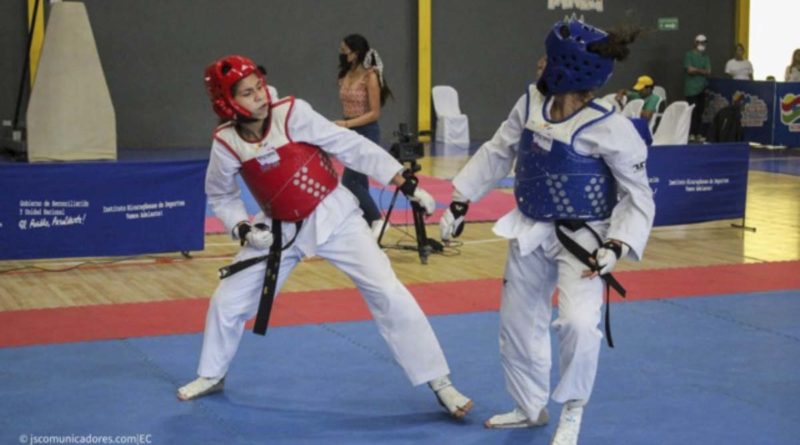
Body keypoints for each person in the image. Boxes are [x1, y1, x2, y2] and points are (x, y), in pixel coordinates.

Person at [177, 55, 473, 420]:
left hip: (334, 216)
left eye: (258, 87)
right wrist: (241, 227)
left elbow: (350, 145)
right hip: (277, 229)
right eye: (247, 93)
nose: (258, 97)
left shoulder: (291, 113)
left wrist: (404, 181)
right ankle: (211, 374)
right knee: (227, 300)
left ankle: (440, 382)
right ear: (227, 103)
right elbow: (221, 195)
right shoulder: (226, 142)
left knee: (387, 291)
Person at [439, 19, 655, 445]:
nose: (539, 64)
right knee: (518, 323)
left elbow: (639, 196)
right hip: (530, 226)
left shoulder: (610, 127)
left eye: (547, 59)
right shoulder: (531, 104)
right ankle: (528, 406)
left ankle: (572, 410)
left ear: (567, 70)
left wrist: (618, 244)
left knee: (576, 323)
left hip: (586, 240)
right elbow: (498, 150)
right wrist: (462, 199)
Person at [334, 34, 393, 239]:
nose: (342, 55)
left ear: (356, 53)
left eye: (345, 52)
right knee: (360, 180)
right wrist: (344, 126)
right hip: (348, 131)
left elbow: (374, 112)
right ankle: (368, 225)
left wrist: (348, 123)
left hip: (366, 131)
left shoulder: (370, 76)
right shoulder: (344, 75)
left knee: (350, 181)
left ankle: (378, 219)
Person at [684, 34, 711, 142]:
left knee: (700, 112)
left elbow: (708, 71)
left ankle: (698, 133)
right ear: (695, 43)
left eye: (704, 42)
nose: (702, 45)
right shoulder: (689, 55)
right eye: (700, 42)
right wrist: (701, 71)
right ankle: (690, 133)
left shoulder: (706, 57)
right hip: (691, 89)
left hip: (702, 88)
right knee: (692, 112)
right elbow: (689, 70)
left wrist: (697, 70)